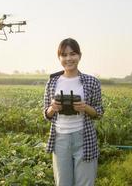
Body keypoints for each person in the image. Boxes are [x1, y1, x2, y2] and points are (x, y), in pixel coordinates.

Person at [43, 38, 104, 186]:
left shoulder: (91, 82)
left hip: (84, 138)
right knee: (63, 183)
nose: (69, 58)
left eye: (73, 54)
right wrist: (53, 108)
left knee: (85, 183)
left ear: (79, 56)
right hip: (60, 140)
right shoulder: (52, 82)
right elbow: (46, 114)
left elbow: (99, 112)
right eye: (64, 55)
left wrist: (85, 108)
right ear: (59, 58)